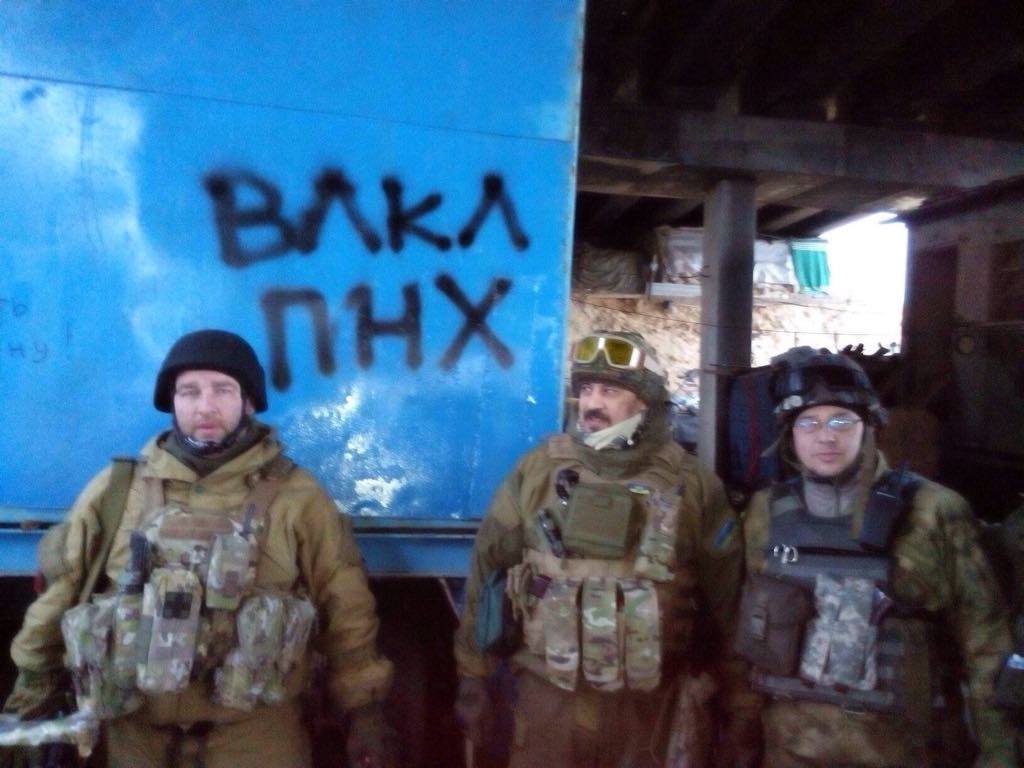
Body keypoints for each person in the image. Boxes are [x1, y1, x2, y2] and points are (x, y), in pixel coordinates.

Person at [2, 329, 394, 768]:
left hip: (255, 739)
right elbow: (60, 596)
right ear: (172, 402)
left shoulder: (298, 498)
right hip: (136, 738)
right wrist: (30, 699)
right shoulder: (116, 491)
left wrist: (366, 712)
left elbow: (346, 609)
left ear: (248, 401)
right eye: (189, 392)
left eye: (223, 390)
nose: (205, 407)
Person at [453, 331, 759, 768]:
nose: (593, 404)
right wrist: (473, 676)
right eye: (586, 390)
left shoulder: (692, 485)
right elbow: (487, 572)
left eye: (610, 391)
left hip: (648, 710)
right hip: (548, 703)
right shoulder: (536, 472)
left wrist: (741, 705)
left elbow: (729, 605)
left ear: (645, 402)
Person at [738, 346, 1015, 767]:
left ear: (869, 425)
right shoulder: (764, 512)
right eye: (808, 422)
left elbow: (986, 645)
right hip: (791, 747)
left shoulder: (935, 511)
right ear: (789, 434)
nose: (825, 436)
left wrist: (999, 754)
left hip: (906, 750)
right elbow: (745, 635)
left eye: (841, 420)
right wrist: (739, 736)